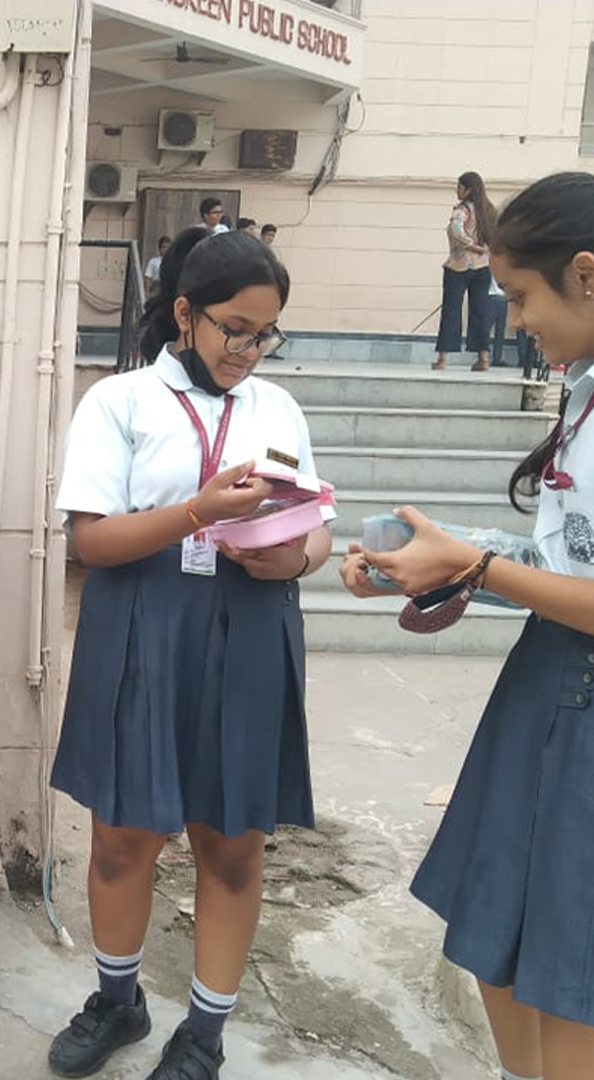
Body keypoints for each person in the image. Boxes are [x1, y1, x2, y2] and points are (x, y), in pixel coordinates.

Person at [48, 227, 332, 1080]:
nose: (247, 350)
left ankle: (205, 1031)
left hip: (251, 623)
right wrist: (200, 512)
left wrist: (298, 560)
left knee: (233, 841)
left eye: (264, 334)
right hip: (143, 620)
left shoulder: (278, 409)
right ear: (184, 314)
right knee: (122, 837)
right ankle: (118, 1001)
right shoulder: (120, 402)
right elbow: (91, 543)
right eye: (233, 328)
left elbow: (316, 528)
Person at [342, 171, 594, 1080]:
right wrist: (442, 560)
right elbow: (566, 562)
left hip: (582, 711)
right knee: (500, 933)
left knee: (569, 971)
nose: (514, 321)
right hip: (546, 686)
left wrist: (476, 568)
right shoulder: (582, 390)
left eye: (521, 297)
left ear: (587, 275)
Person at [432, 171, 497, 372]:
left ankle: (442, 359)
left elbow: (456, 229)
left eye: (459, 187)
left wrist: (470, 245)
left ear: (468, 190)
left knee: (451, 310)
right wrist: (485, 250)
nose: (457, 191)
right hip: (483, 267)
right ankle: (483, 358)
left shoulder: (462, 209)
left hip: (457, 266)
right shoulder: (489, 211)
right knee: (480, 311)